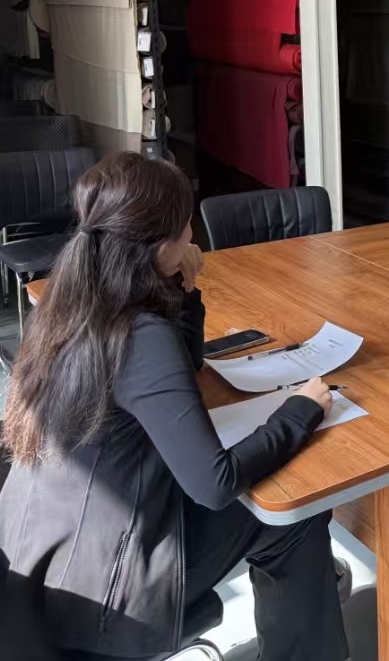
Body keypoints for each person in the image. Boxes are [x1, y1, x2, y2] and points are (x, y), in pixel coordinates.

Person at [0, 153, 347, 661]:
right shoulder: (139, 334)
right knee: (294, 515)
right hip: (111, 585)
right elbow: (215, 483)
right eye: (186, 226)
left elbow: (177, 372)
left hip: (43, 554)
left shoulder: (67, 299)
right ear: (161, 248)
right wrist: (299, 411)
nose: (192, 234)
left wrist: (184, 291)